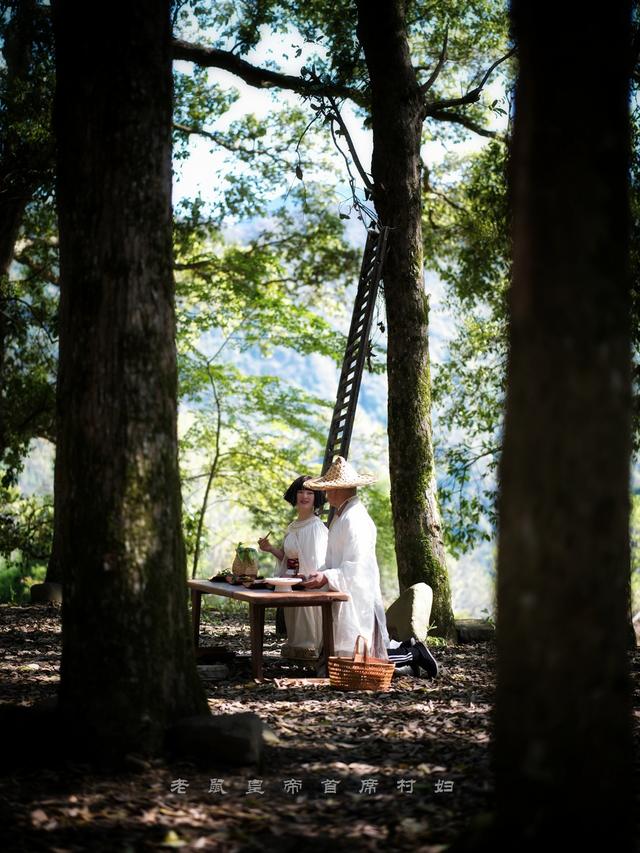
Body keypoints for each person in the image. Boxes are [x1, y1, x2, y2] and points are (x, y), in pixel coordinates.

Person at [302, 456, 438, 678]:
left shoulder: (355, 519)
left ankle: (414, 653)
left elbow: (357, 566)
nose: (326, 494)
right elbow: (334, 559)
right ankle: (409, 656)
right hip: (344, 591)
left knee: (365, 658)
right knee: (352, 655)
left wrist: (326, 577)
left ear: (341, 490)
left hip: (358, 595)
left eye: (329, 489)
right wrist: (320, 575)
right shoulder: (341, 516)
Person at [258, 475, 327, 657]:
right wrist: (270, 548)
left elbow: (317, 564)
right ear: (294, 496)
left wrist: (302, 580)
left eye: (309, 493)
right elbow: (287, 558)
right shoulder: (292, 526)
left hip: (308, 589)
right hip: (291, 585)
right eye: (300, 492)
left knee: (308, 629)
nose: (304, 496)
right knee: (295, 628)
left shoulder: (316, 527)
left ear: (316, 497)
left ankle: (313, 655)